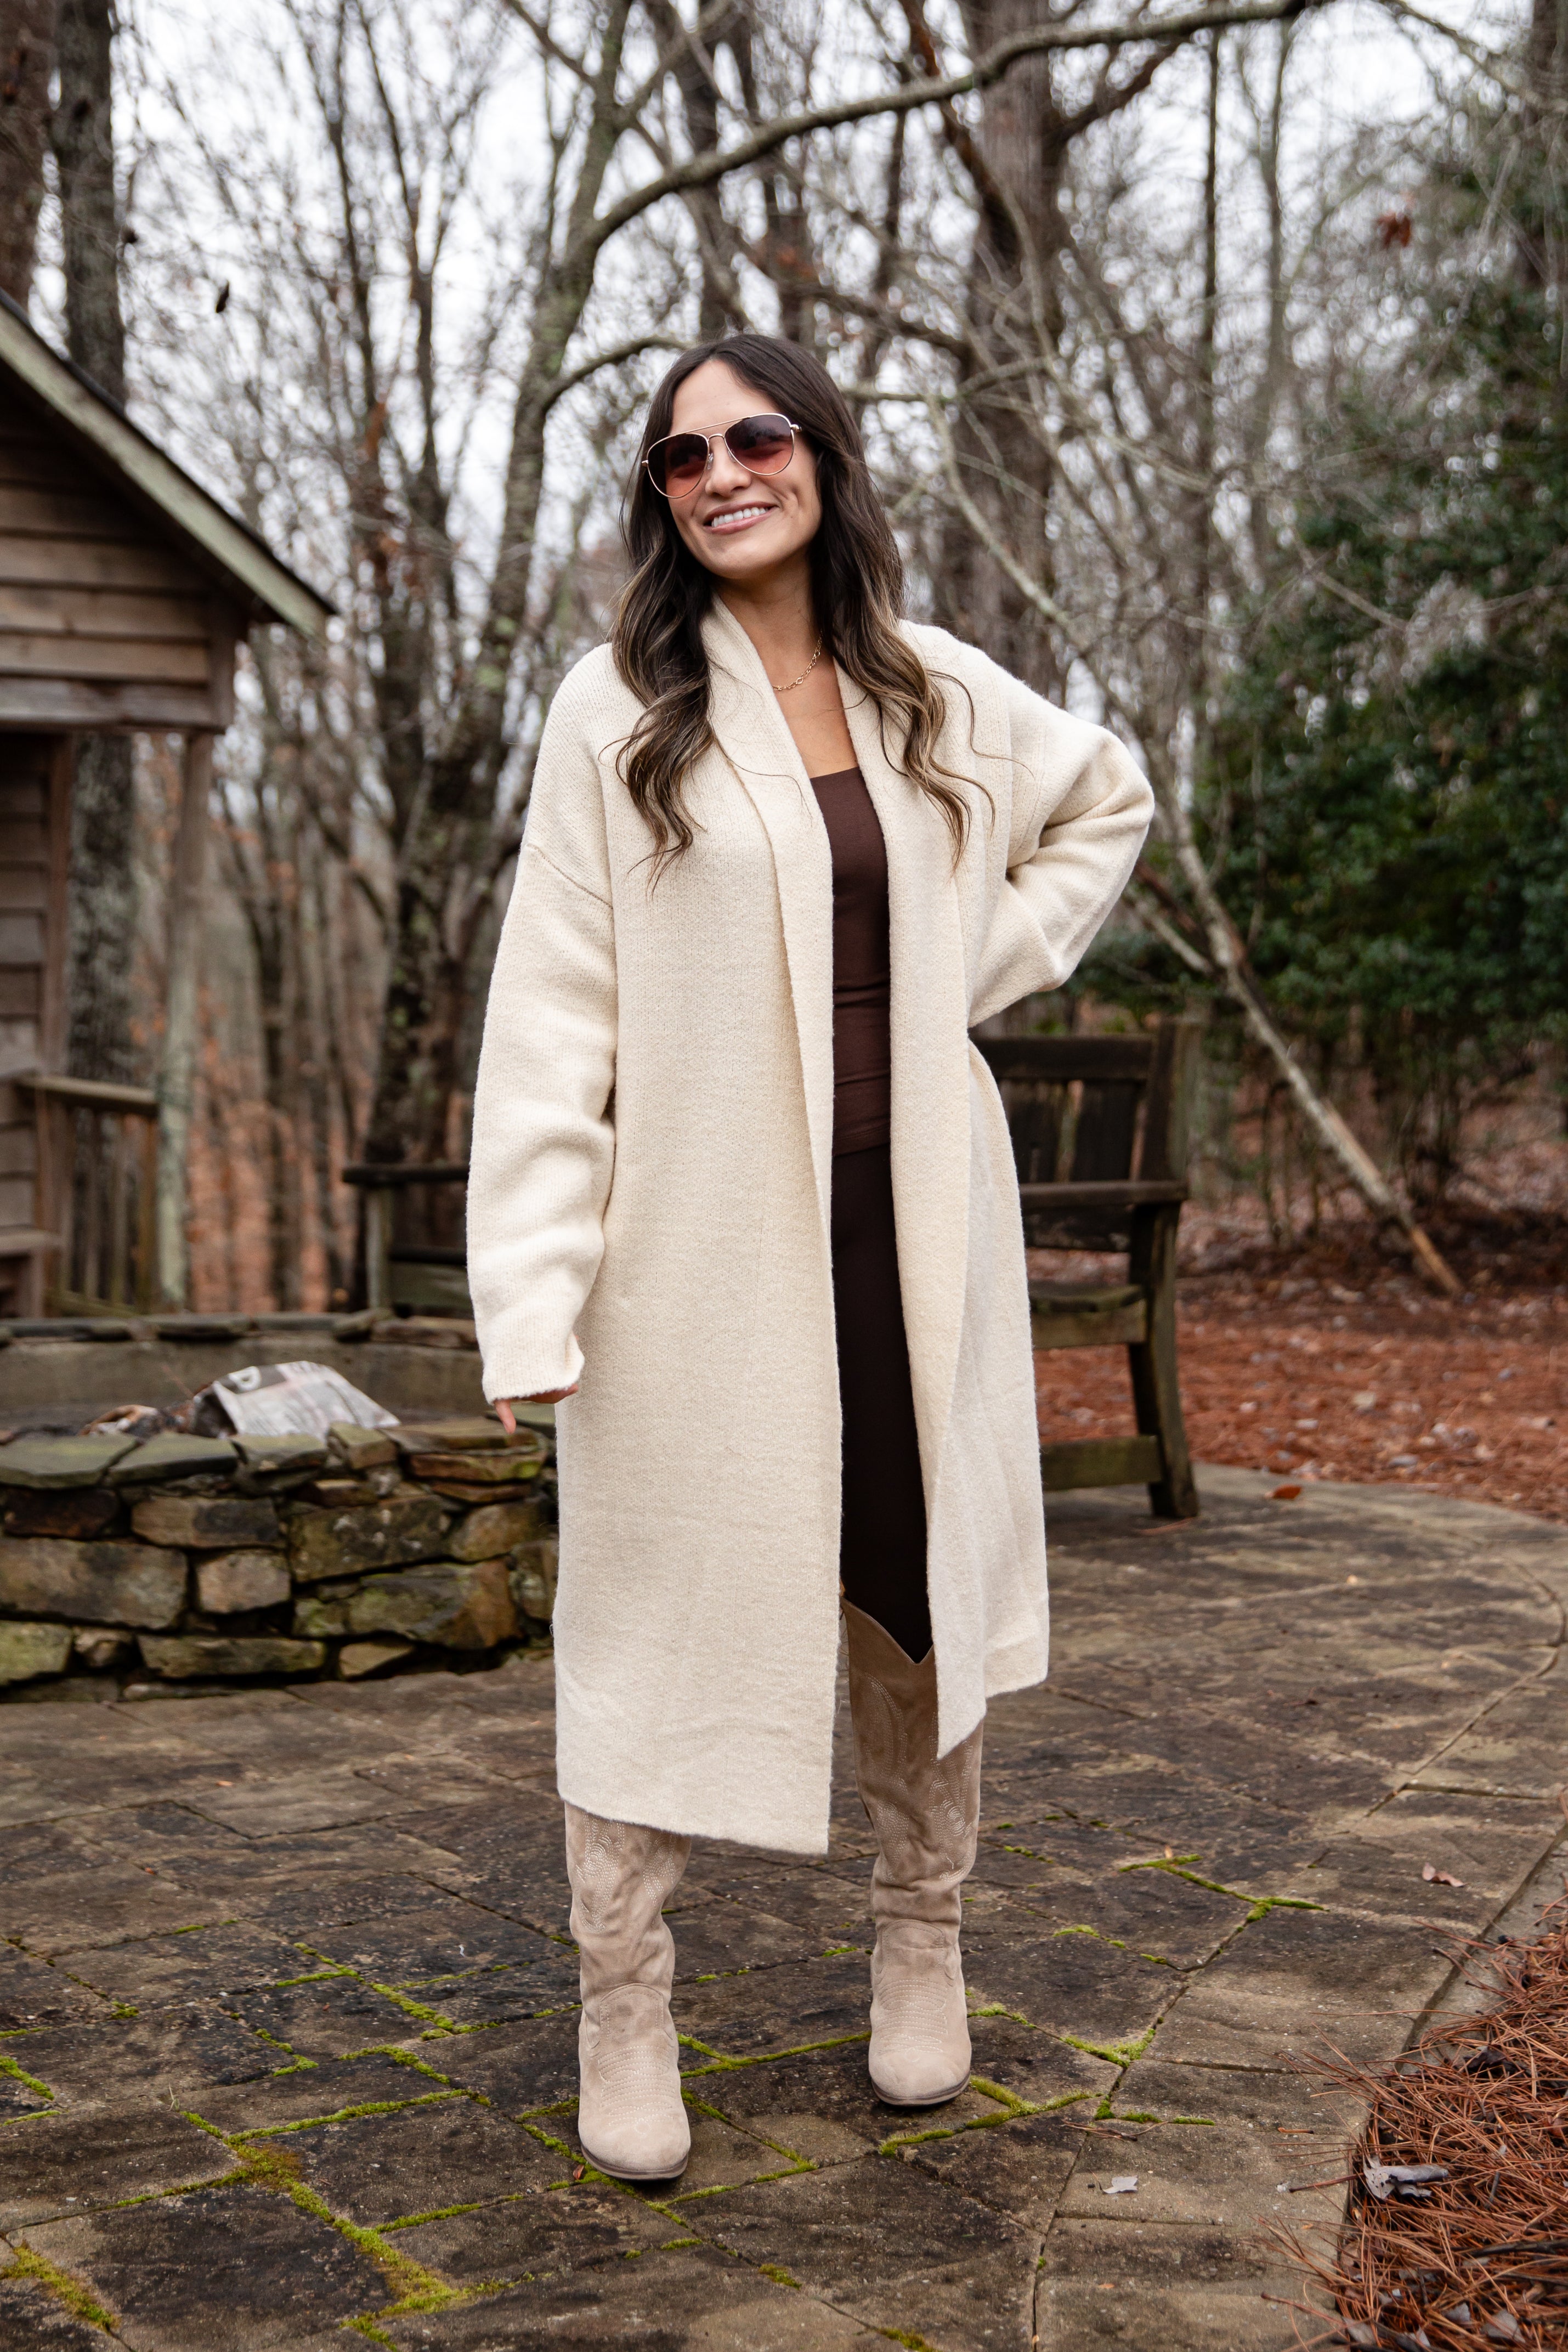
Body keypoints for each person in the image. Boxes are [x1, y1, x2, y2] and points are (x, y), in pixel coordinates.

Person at [467, 333, 1153, 2184]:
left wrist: (971, 972)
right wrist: (530, 1287)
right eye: (679, 453)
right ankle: (625, 1997)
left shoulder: (933, 690)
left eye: (754, 434)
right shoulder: (613, 710)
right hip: (698, 1254)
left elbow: (1108, 801)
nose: (719, 470)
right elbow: (551, 1016)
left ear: (822, 460)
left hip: (915, 1236)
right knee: (652, 1608)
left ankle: (921, 1934)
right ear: (660, 498)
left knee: (913, 1591)